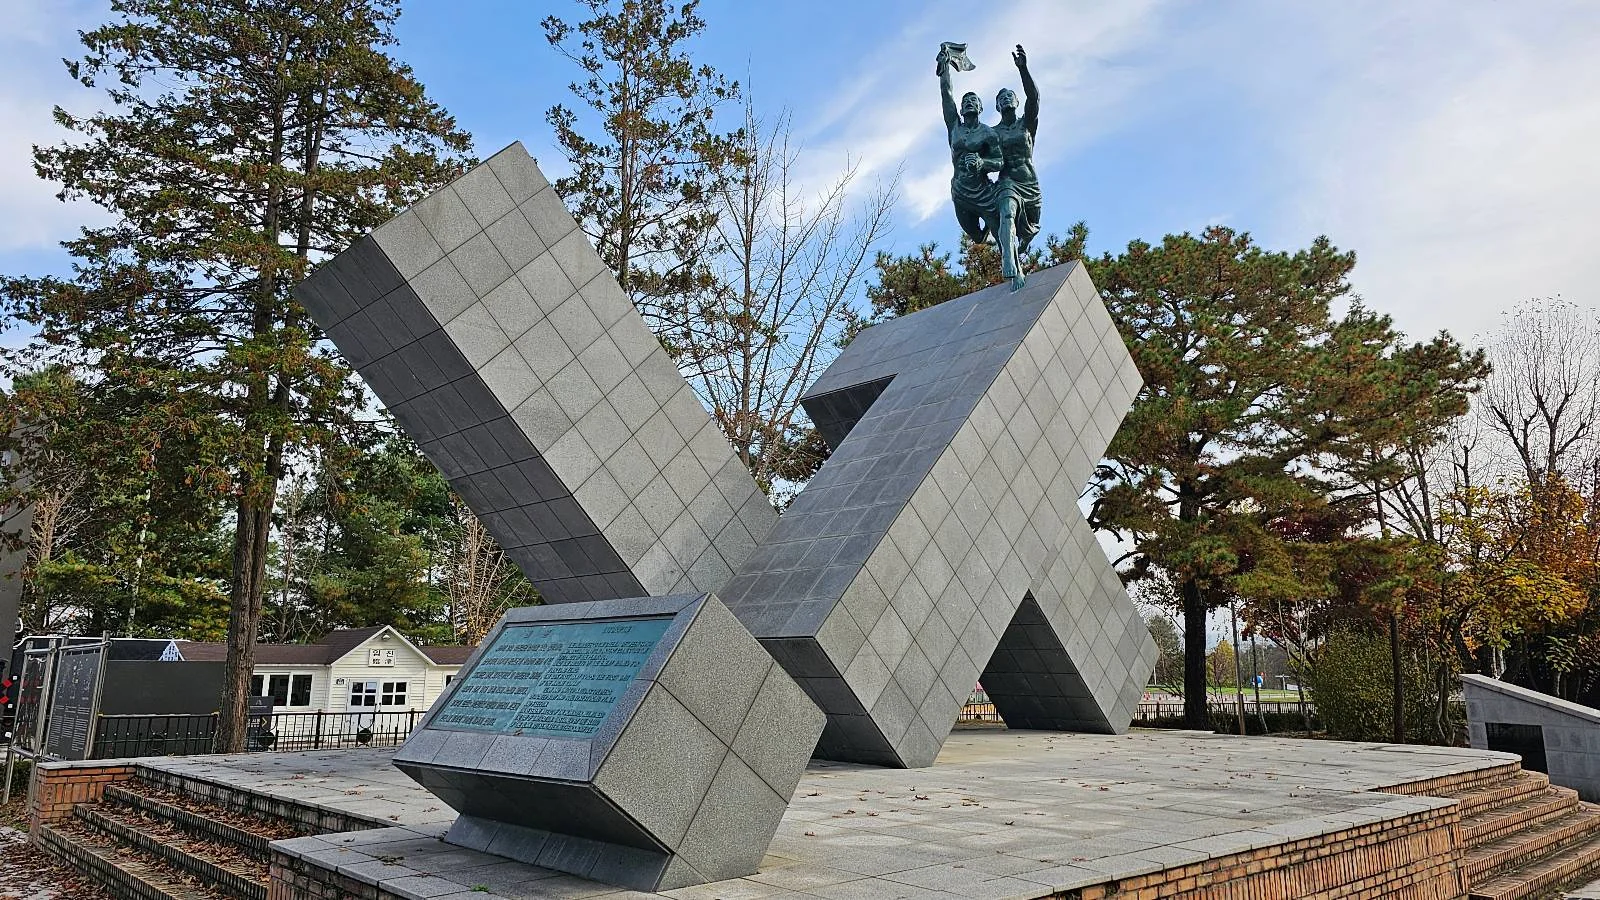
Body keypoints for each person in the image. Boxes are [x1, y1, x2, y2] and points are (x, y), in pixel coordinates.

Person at [937, 44, 1003, 246]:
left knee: (1001, 236)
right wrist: (945, 68)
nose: (969, 103)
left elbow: (999, 162)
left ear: (981, 108)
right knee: (975, 236)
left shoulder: (988, 133)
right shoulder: (955, 127)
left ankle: (1009, 261)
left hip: (983, 193)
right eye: (965, 101)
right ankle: (986, 238)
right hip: (960, 191)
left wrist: (982, 162)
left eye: (973, 101)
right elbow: (947, 94)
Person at [993, 44, 1040, 290]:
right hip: (1007, 183)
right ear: (997, 107)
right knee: (1007, 215)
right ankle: (1011, 265)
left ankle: (1016, 248)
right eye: (1001, 99)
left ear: (1016, 101)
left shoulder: (1026, 124)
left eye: (1009, 96)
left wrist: (1023, 69)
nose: (1006, 99)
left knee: (1031, 229)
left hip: (1030, 183)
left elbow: (1034, 97)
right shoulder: (992, 133)